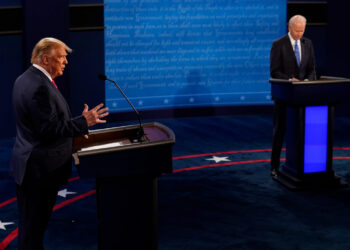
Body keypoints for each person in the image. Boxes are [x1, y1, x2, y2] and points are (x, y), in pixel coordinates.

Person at [11, 37, 109, 249]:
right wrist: (84, 122)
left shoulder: (25, 79)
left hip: (30, 165)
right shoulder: (40, 87)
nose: (65, 62)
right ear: (46, 59)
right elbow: (49, 131)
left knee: (32, 227)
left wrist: (78, 124)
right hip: (39, 170)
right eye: (61, 58)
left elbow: (46, 124)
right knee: (33, 228)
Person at [269, 15, 316, 177]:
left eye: (302, 31)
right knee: (280, 131)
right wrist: (290, 80)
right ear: (289, 28)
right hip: (284, 96)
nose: (299, 34)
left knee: (302, 133)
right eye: (296, 31)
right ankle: (274, 167)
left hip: (303, 98)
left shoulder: (308, 43)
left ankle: (300, 167)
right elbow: (274, 71)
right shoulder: (278, 45)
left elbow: (311, 69)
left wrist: (308, 81)